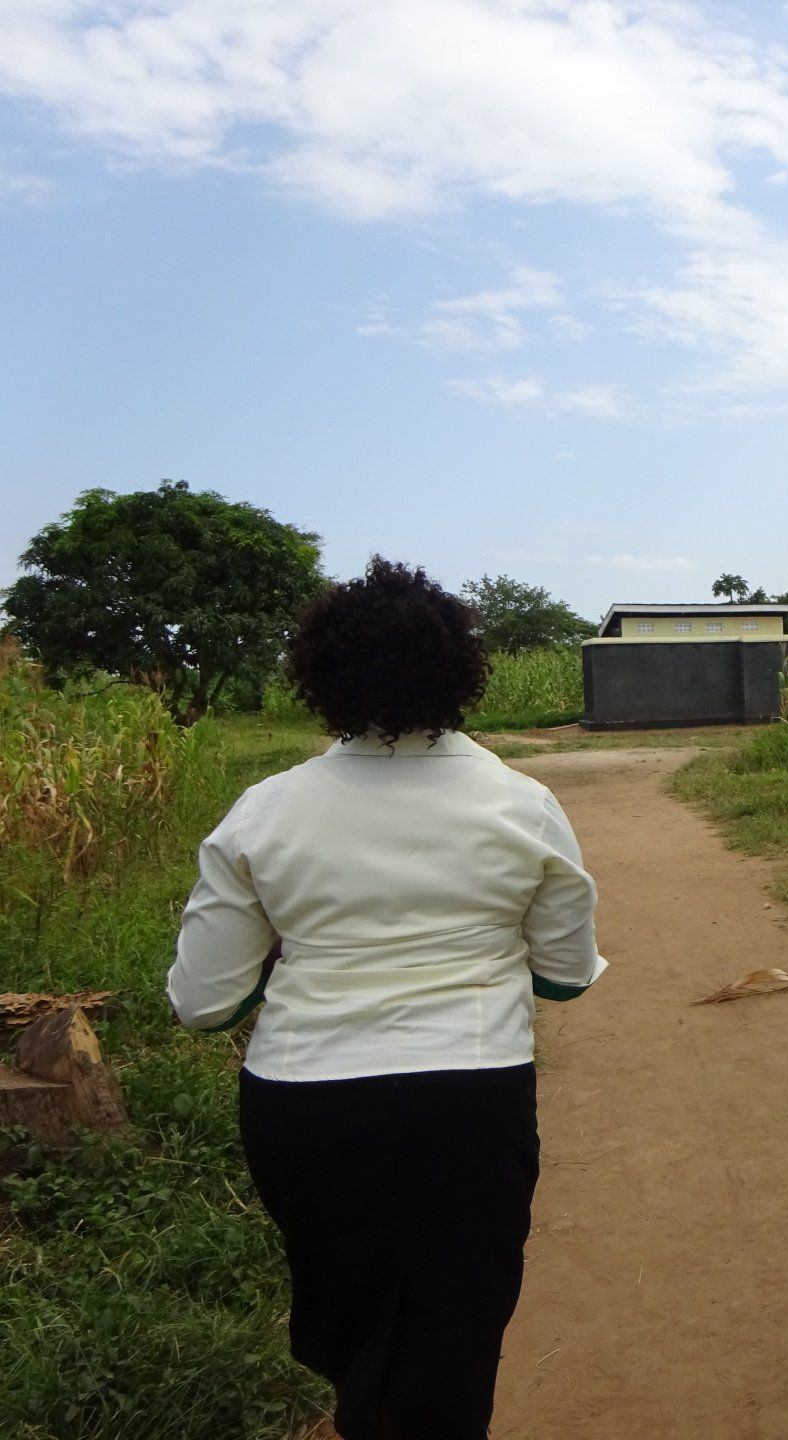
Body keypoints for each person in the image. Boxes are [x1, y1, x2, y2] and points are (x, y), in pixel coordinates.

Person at [167, 557, 606, 1440]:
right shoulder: (523, 805)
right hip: (469, 1103)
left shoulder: (263, 813)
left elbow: (204, 1003)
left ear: (320, 678)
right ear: (461, 672)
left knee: (351, 1313)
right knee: (457, 1327)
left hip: (304, 1106)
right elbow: (563, 974)